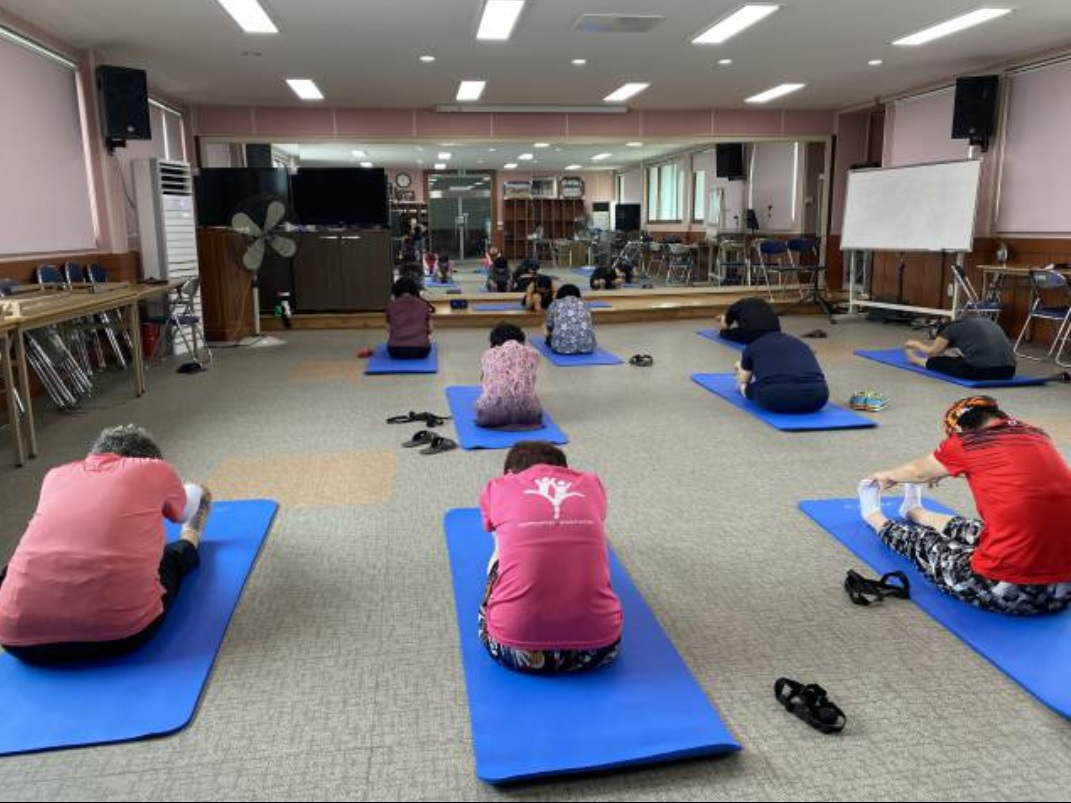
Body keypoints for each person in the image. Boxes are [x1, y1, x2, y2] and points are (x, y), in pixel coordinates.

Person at [0, 425, 212, 664]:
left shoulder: (55, 475)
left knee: (19, 565)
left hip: (16, 639)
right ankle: (190, 539)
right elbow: (184, 512)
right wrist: (196, 490)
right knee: (168, 558)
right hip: (122, 635)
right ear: (148, 458)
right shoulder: (154, 468)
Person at [857, 396, 1071, 615]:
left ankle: (874, 517)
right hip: (1064, 590)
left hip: (1009, 592)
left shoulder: (968, 441)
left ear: (958, 428)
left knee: (924, 541)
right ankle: (915, 512)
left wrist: (886, 475)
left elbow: (918, 472)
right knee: (977, 529)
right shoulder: (1036, 434)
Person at [478, 440, 623, 674]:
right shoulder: (591, 483)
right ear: (564, 470)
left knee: (500, 557)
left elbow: (492, 531)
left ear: (510, 473)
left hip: (514, 650)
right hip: (601, 648)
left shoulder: (497, 487)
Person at [735, 331, 829, 414]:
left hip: (775, 397)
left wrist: (741, 366)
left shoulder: (753, 346)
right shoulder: (803, 345)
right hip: (819, 397)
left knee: (743, 386)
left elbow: (743, 379)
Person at [904, 316, 1016, 381]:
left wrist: (915, 344)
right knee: (960, 357)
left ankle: (915, 359)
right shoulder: (982, 321)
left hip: (981, 372)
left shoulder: (949, 330)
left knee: (939, 361)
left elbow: (932, 352)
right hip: (1009, 371)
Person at [475, 323, 542, 429]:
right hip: (530, 417)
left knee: (482, 403)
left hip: (489, 417)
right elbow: (530, 379)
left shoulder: (488, 354)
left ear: (493, 343)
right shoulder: (534, 354)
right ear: (521, 341)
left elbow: (484, 380)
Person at [386, 276, 434, 359]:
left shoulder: (391, 305)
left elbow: (388, 329)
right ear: (414, 290)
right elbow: (430, 329)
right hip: (421, 350)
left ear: (395, 291)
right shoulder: (423, 304)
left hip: (395, 351)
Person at [545, 284, 595, 355]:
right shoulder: (585, 303)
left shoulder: (555, 304)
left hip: (561, 348)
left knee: (545, 328)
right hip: (588, 346)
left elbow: (549, 326)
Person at [717, 297, 782, 345]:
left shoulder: (734, 307)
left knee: (724, 333)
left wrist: (723, 320)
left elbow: (725, 325)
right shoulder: (762, 303)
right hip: (775, 331)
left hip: (753, 333)